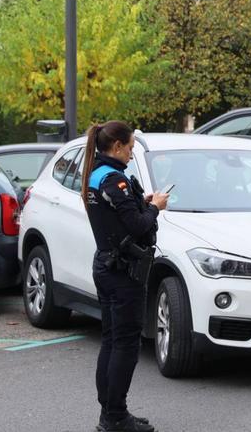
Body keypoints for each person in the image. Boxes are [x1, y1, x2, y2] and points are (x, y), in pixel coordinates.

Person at [80, 121, 168, 432]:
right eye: (130, 148)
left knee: (111, 340)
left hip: (106, 265)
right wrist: (155, 208)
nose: (131, 154)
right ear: (116, 146)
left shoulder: (95, 175)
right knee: (126, 344)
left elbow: (119, 217)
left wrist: (139, 204)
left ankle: (111, 412)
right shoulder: (113, 179)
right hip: (123, 273)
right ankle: (115, 417)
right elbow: (138, 226)